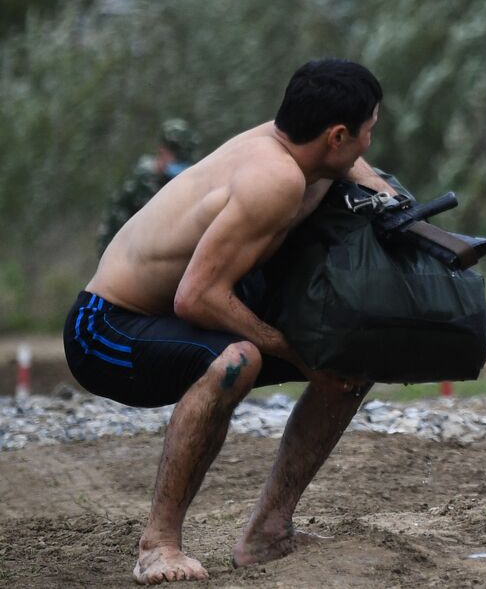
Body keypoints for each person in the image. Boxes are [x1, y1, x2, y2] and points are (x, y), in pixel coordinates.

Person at [64, 59, 395, 583]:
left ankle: (268, 533)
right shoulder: (275, 178)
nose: (368, 147)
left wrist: (392, 201)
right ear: (336, 135)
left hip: (173, 312)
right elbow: (196, 298)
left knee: (351, 356)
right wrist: (298, 355)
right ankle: (158, 544)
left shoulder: (292, 147)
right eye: (367, 134)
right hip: (104, 328)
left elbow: (352, 168)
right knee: (238, 360)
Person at [98, 118, 201, 250]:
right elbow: (110, 234)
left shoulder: (181, 186)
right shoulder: (138, 185)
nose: (179, 166)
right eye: (177, 159)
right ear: (162, 151)